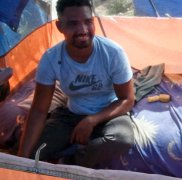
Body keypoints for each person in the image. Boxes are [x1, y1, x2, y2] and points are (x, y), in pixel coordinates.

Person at [18, 0, 135, 168]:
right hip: (71, 115)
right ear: (60, 27)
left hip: (110, 113)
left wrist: (91, 120)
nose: (83, 30)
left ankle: (69, 163)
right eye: (73, 24)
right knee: (35, 151)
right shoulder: (51, 58)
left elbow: (127, 100)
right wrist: (21, 161)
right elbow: (39, 109)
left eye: (88, 22)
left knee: (121, 140)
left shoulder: (113, 53)